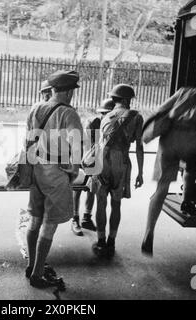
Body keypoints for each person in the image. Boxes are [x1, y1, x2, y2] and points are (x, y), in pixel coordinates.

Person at [141, 68, 196, 256]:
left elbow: (161, 110)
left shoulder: (183, 92)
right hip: (189, 141)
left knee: (161, 188)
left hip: (169, 140)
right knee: (191, 165)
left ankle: (149, 232)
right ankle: (187, 200)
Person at [25, 70, 83, 288]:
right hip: (55, 173)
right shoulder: (69, 113)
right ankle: (38, 275)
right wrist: (74, 169)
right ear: (68, 91)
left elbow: (28, 141)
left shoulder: (36, 108)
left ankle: (32, 265)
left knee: (35, 219)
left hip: (36, 168)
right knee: (49, 225)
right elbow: (76, 145)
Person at [90, 84, 144, 258]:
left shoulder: (106, 116)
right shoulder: (136, 117)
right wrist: (140, 172)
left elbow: (99, 143)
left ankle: (100, 241)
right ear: (127, 99)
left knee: (101, 202)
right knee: (116, 203)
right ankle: (111, 242)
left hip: (102, 161)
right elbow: (139, 147)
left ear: (114, 99)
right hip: (120, 161)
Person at [71, 98, 115, 236]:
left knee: (92, 187)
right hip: (84, 157)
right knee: (77, 189)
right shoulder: (93, 123)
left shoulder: (112, 125)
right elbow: (88, 146)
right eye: (105, 113)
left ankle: (86, 218)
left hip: (97, 159)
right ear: (101, 113)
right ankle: (75, 219)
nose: (107, 116)